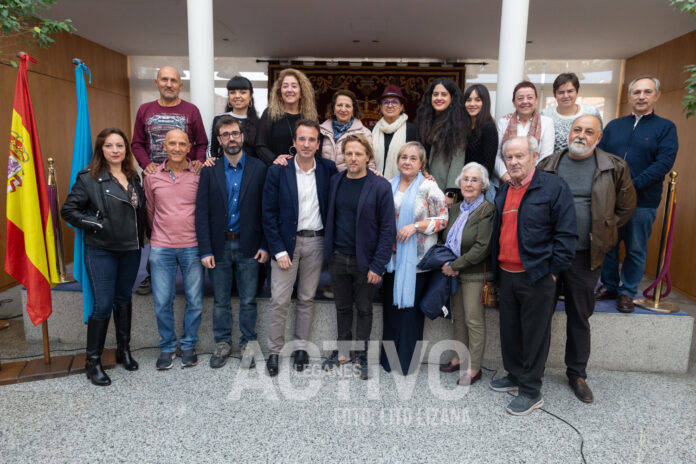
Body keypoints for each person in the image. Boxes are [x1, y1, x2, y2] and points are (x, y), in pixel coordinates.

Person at [538, 115, 636, 403]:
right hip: (550, 254)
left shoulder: (614, 166)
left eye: (588, 131)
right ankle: (534, 370)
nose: (581, 135)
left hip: (586, 255)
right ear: (569, 133)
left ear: (599, 137)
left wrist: (603, 228)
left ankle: (577, 373)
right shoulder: (549, 164)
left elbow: (627, 206)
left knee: (579, 315)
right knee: (541, 313)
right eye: (577, 129)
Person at [489, 136, 577, 416]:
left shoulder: (553, 187)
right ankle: (515, 375)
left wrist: (552, 272)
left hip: (537, 275)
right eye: (509, 157)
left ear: (534, 156)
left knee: (535, 334)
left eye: (519, 156)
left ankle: (531, 390)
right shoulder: (503, 191)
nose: (514, 162)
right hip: (506, 273)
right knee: (510, 331)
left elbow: (566, 234)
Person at [61, 128, 146, 386]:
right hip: (102, 250)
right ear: (101, 149)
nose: (115, 150)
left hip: (131, 249)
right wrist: (97, 225)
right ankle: (93, 361)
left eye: (120, 145)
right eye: (109, 146)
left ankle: (124, 350)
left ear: (126, 150)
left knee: (123, 299)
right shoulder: (89, 178)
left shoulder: (133, 176)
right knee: (103, 304)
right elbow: (69, 210)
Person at [595, 75, 678, 312]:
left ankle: (628, 291)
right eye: (637, 92)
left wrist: (631, 185)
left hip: (643, 201)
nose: (641, 96)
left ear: (656, 96)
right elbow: (600, 157)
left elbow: (663, 164)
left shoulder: (665, 128)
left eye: (647, 92)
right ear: (630, 96)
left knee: (635, 248)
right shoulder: (614, 126)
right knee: (608, 245)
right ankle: (609, 285)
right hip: (611, 199)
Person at [263, 119, 338, 376]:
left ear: (318, 144)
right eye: (302, 139)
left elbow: (354, 177)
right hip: (286, 244)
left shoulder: (328, 170)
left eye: (312, 140)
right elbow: (268, 214)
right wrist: (278, 250)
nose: (306, 144)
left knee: (307, 298)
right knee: (280, 300)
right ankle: (274, 352)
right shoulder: (278, 170)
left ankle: (301, 348)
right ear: (294, 143)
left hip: (316, 242)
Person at [195, 116, 269, 369]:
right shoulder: (209, 170)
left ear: (243, 136)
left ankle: (248, 343)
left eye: (235, 133)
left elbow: (266, 211)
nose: (231, 138)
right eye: (225, 135)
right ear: (219, 140)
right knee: (221, 300)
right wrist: (204, 249)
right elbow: (201, 212)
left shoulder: (259, 169)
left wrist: (264, 245)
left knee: (249, 299)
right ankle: (222, 343)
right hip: (218, 246)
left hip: (250, 245)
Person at [322, 134, 396, 380]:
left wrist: (378, 264)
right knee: (342, 307)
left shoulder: (380, 186)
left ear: (368, 157)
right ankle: (343, 351)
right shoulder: (336, 181)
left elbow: (388, 230)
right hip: (337, 257)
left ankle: (361, 354)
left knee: (364, 309)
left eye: (358, 154)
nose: (353, 158)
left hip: (365, 262)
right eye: (349, 153)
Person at [131, 65, 208, 295]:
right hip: (157, 178)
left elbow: (202, 143)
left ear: (180, 85)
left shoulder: (191, 111)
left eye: (173, 81)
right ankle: (152, 274)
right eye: (164, 80)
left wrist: (199, 162)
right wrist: (147, 165)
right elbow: (137, 143)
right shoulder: (145, 109)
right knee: (154, 219)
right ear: (156, 82)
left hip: (185, 176)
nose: (169, 84)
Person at [379, 142, 448, 375]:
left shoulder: (429, 187)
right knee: (392, 312)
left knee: (410, 316)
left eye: (412, 158)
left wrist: (416, 226)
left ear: (421, 163)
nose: (407, 162)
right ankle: (388, 362)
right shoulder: (389, 185)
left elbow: (443, 218)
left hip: (417, 262)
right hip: (392, 261)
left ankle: (407, 363)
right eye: (403, 157)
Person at [144, 129, 205, 370]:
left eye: (182, 144)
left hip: (192, 246)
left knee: (195, 300)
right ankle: (167, 347)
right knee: (161, 301)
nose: (177, 148)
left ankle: (189, 344)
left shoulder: (199, 175)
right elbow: (150, 210)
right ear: (164, 146)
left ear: (189, 147)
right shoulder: (151, 176)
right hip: (161, 247)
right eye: (172, 143)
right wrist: (159, 234)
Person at [439, 162, 494, 386]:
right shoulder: (454, 208)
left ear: (483, 185)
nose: (469, 184)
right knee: (458, 319)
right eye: (466, 179)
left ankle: (474, 368)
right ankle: (459, 357)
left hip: (473, 274)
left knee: (473, 321)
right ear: (459, 183)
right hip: (453, 273)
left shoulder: (487, 209)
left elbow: (482, 246)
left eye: (474, 180)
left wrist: (457, 264)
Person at [416, 78, 467, 204]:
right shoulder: (422, 120)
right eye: (435, 94)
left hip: (442, 188)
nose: (439, 98)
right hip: (419, 184)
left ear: (452, 98)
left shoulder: (458, 123)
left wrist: (450, 192)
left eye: (444, 94)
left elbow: (458, 160)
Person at [494, 81, 554, 187]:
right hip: (505, 183)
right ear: (513, 102)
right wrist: (507, 178)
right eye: (520, 98)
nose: (525, 101)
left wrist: (527, 179)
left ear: (536, 100)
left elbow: (546, 158)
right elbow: (497, 155)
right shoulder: (504, 122)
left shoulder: (547, 123)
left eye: (530, 97)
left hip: (534, 183)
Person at [256, 68, 318, 166]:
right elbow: (260, 145)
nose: (289, 90)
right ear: (280, 93)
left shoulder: (309, 116)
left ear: (301, 92)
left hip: (303, 170)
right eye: (285, 86)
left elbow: (316, 145)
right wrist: (274, 159)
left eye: (294, 86)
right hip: (277, 170)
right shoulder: (269, 113)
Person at [542, 73, 602, 153]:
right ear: (555, 94)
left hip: (585, 163)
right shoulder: (545, 115)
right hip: (553, 164)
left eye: (570, 91)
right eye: (561, 92)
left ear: (576, 92)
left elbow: (598, 139)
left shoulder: (591, 112)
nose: (566, 96)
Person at [319, 89, 375, 171]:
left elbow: (370, 164)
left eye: (348, 106)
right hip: (325, 181)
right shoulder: (321, 131)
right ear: (333, 108)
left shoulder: (364, 133)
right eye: (339, 105)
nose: (343, 109)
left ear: (353, 110)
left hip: (350, 181)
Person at [372, 85, 420, 179]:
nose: (390, 105)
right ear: (381, 107)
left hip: (403, 182)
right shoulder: (371, 130)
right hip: (375, 183)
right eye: (386, 102)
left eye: (394, 102)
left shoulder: (411, 130)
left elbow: (418, 158)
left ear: (401, 107)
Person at [208, 76, 260, 159]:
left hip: (251, 170)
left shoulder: (259, 123)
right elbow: (212, 149)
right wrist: (213, 162)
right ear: (229, 97)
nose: (237, 96)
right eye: (232, 92)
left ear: (250, 96)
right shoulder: (218, 119)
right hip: (224, 169)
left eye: (243, 92)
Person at [462, 84, 498, 200]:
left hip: (478, 190)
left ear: (485, 103)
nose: (472, 104)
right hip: (464, 185)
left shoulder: (488, 127)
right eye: (468, 100)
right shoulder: (463, 127)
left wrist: (474, 185)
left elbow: (488, 165)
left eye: (477, 100)